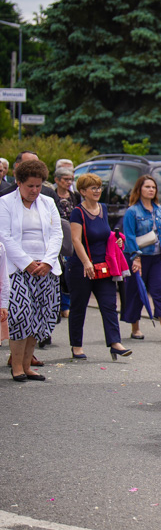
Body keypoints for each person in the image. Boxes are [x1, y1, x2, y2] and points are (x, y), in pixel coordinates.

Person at [0, 159, 63, 381]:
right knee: (20, 316)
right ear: (18, 183)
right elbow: (4, 236)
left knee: (38, 316)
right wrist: (27, 263)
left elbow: (57, 234)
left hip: (46, 268)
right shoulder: (6, 203)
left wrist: (47, 261)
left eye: (38, 186)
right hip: (17, 269)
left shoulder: (48, 203)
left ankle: (27, 365)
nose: (35, 191)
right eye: (30, 186)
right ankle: (16, 366)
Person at [67, 173, 132, 361]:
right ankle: (76, 346)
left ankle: (115, 343)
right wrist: (87, 262)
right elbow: (75, 240)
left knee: (109, 305)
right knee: (79, 307)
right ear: (82, 191)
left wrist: (116, 241)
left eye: (98, 187)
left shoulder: (102, 208)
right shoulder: (77, 213)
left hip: (103, 267)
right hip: (82, 267)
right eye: (92, 188)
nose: (97, 191)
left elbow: (106, 235)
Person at [122, 175, 161, 341]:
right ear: (139, 189)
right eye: (147, 186)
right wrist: (135, 257)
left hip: (158, 258)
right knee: (136, 291)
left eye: (153, 187)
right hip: (140, 257)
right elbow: (129, 236)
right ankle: (135, 328)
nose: (150, 190)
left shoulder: (160, 210)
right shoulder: (132, 211)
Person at [53, 167, 81, 320]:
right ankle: (57, 304)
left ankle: (66, 305)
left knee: (69, 272)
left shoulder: (74, 196)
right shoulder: (52, 195)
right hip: (58, 236)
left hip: (72, 237)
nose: (69, 183)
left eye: (71, 179)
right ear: (57, 180)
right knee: (59, 272)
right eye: (66, 179)